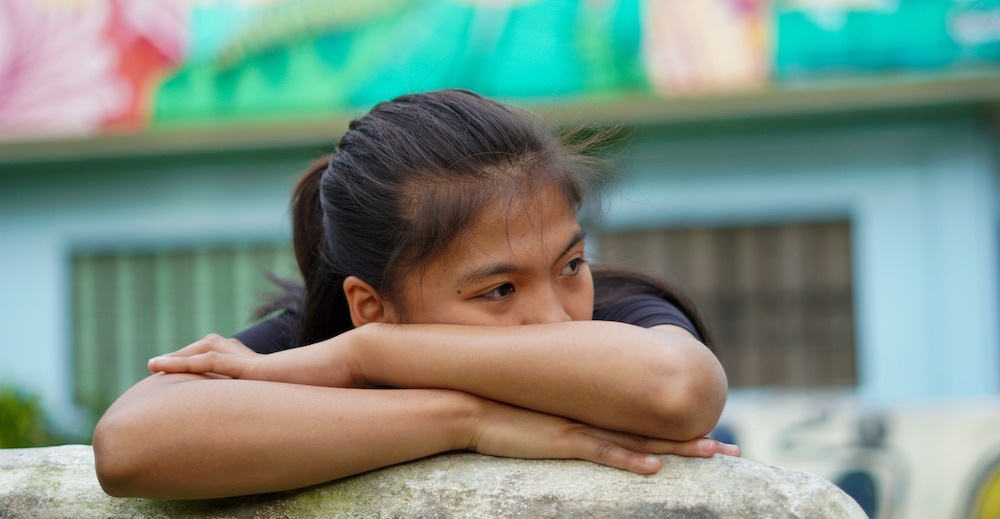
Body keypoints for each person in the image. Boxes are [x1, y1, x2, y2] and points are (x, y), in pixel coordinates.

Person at [92, 89, 737, 500]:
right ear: (371, 306)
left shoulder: (619, 312)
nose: (557, 316)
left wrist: (369, 358)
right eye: (500, 289)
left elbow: (678, 388)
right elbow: (130, 445)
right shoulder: (315, 335)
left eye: (571, 264)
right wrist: (468, 421)